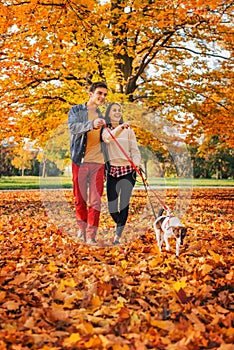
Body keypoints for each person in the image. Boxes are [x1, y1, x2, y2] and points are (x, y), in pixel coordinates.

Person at [68, 82, 108, 245]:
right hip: (80, 161)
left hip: (98, 162)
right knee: (79, 198)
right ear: (90, 93)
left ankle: (91, 235)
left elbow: (107, 138)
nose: (102, 97)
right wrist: (91, 124)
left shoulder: (104, 115)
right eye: (99, 93)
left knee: (96, 200)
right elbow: (72, 127)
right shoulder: (76, 110)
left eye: (105, 95)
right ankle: (81, 227)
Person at [102, 103, 141, 245]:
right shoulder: (104, 130)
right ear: (109, 113)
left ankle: (117, 237)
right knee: (112, 208)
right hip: (112, 171)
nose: (117, 112)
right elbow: (108, 138)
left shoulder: (129, 130)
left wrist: (136, 164)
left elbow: (135, 150)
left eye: (119, 110)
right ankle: (121, 224)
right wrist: (120, 127)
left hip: (127, 171)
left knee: (124, 204)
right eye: (114, 110)